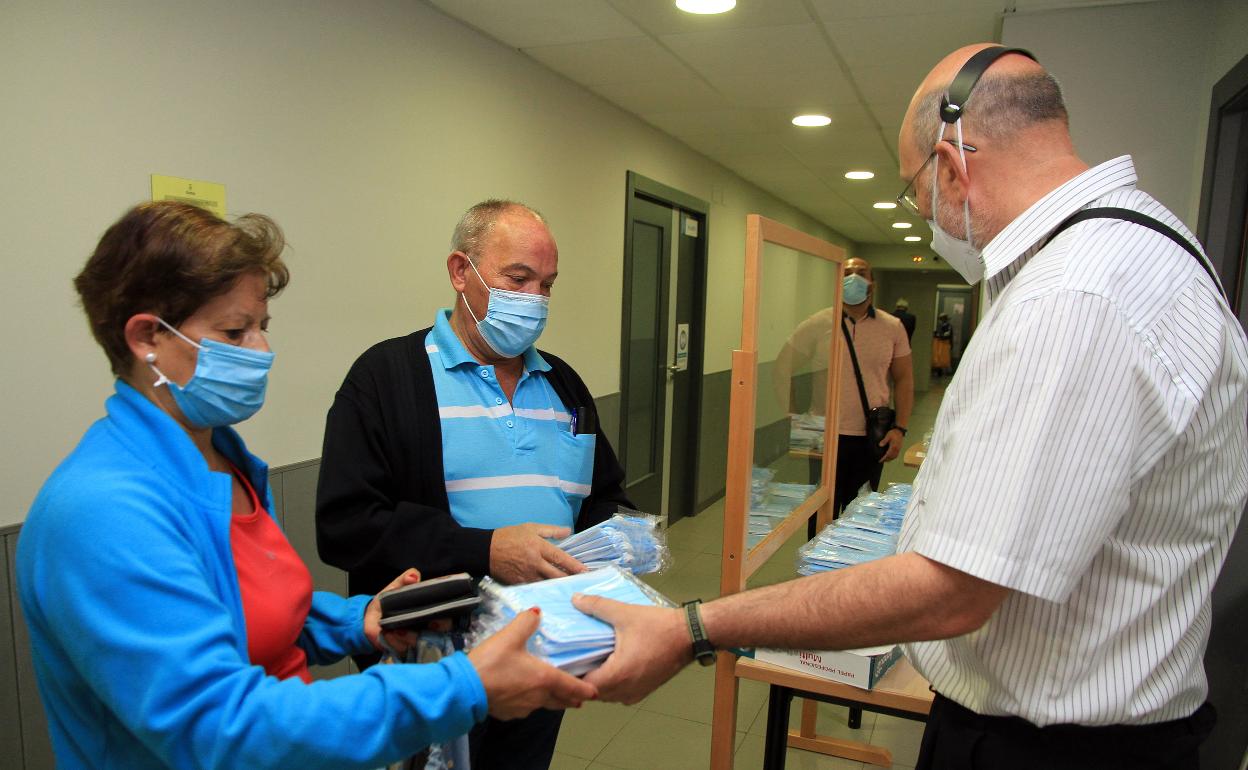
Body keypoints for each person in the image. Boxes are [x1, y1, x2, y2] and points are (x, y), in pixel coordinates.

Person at [570, 44, 1247, 769]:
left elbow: (950, 589)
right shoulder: (1146, 249)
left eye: (914, 191)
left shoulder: (1076, 297)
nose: (926, 216)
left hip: (1052, 751)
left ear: (952, 167)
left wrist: (694, 625)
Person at [15, 201, 595, 770]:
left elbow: (248, 615)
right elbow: (220, 728)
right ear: (147, 338)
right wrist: (462, 686)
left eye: (262, 326)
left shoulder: (222, 461)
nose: (262, 351)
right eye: (235, 330)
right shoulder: (103, 509)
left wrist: (361, 619)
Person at [316, 199, 631, 769]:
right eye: (518, 279)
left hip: (542, 647)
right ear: (461, 272)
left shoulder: (562, 383)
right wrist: (485, 551)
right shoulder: (386, 379)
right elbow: (347, 526)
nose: (534, 300)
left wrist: (621, 537)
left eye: (547, 285)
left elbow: (601, 493)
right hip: (431, 664)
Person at [774, 257, 914, 514]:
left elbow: (904, 378)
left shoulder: (892, 327)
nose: (854, 278)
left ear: (873, 283)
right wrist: (793, 417)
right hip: (824, 436)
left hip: (872, 437)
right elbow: (782, 367)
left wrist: (900, 429)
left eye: (862, 273)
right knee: (819, 514)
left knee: (859, 514)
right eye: (847, 273)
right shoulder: (818, 323)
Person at [931, 312, 953, 377]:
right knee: (939, 357)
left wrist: (939, 335)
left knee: (944, 358)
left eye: (942, 319)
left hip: (945, 344)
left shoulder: (948, 326)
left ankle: (945, 372)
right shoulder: (941, 326)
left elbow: (947, 335)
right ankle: (939, 372)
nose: (941, 320)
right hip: (940, 344)